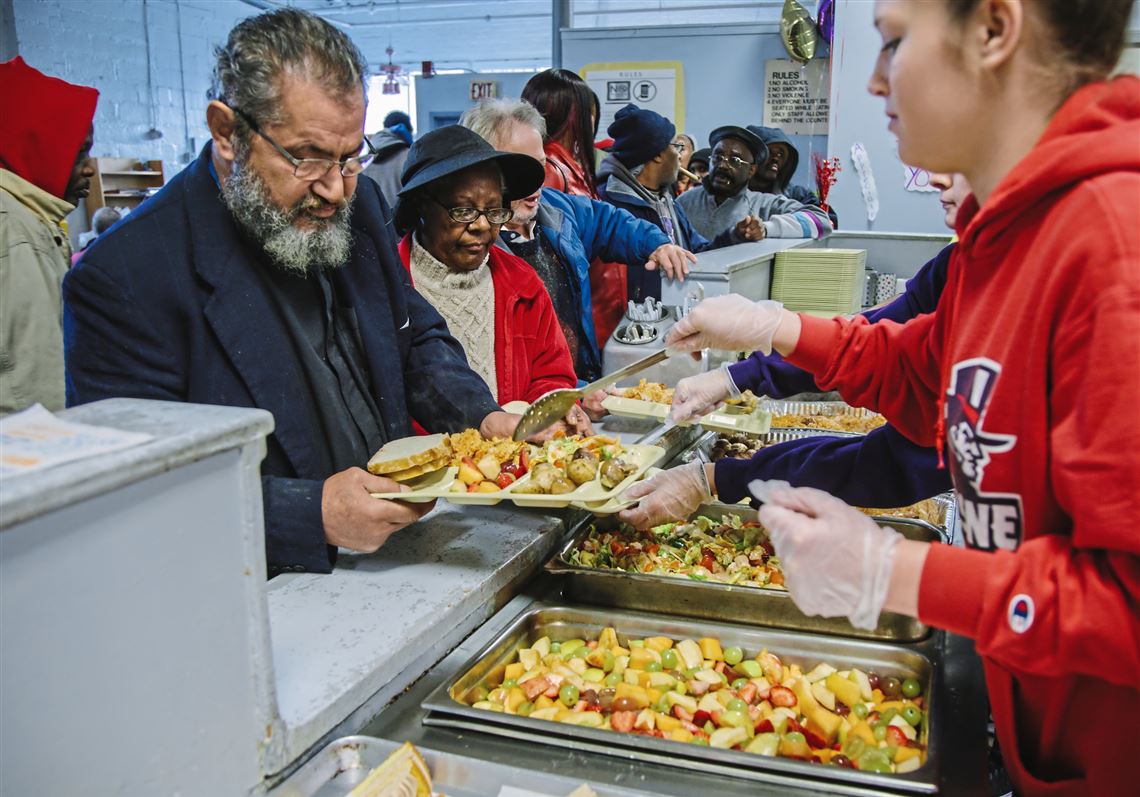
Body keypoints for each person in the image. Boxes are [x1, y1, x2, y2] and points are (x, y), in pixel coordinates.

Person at [644, 2, 1139, 793]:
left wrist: (895, 572)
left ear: (995, 29)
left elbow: (1127, 607)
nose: (873, 80)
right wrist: (776, 331)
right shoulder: (1004, 235)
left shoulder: (1113, 242)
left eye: (895, 42)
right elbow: (920, 365)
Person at [63, 9, 526, 576]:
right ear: (227, 131)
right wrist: (312, 515)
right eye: (307, 157)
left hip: (397, 559)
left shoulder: (358, 209)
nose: (334, 188)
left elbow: (414, 338)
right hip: (264, 589)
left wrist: (483, 418)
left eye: (350, 156)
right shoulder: (127, 278)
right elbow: (133, 496)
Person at [619, 173, 969, 526]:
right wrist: (738, 375)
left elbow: (896, 457)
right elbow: (871, 341)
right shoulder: (959, 264)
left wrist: (718, 478)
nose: (937, 178)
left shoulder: (1013, 301)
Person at [459, 99, 695, 383]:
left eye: (541, 167)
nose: (535, 184)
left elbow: (610, 221)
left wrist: (657, 243)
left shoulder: (558, 209)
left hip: (580, 379)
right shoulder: (472, 247)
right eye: (521, 170)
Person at [391, 124, 586, 429]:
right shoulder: (389, 289)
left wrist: (553, 411)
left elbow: (553, 373)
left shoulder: (522, 284)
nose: (482, 226)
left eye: (494, 211)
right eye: (464, 211)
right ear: (421, 205)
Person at [0, 56, 98, 415]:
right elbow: (42, 386)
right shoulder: (15, 231)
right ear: (38, 144)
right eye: (80, 151)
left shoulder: (30, 218)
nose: (90, 167)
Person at [596, 104, 765, 302]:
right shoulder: (611, 207)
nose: (679, 156)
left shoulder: (667, 201)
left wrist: (734, 236)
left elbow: (695, 253)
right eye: (675, 147)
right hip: (637, 325)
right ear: (657, 154)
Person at [522, 69, 626, 346]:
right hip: (581, 320)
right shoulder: (552, 171)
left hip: (600, 313)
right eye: (589, 114)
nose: (592, 123)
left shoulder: (571, 168)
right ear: (572, 117)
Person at [676, 125, 833, 241]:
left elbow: (821, 222)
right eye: (718, 157)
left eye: (735, 160)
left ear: (751, 170)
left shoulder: (763, 205)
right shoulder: (685, 202)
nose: (723, 165)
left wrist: (766, 228)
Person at [747, 124, 839, 228]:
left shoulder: (799, 196)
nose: (775, 159)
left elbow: (828, 223)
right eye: (769, 152)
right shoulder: (733, 193)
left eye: (780, 154)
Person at [363, 110, 413, 208]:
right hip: (402, 221)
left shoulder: (365, 160)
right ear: (407, 130)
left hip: (374, 220)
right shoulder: (409, 156)